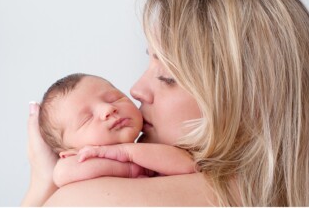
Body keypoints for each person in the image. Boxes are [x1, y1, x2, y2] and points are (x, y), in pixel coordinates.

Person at [22, 0, 309, 206]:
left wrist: (41, 186)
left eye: (167, 77)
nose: (136, 90)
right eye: (148, 63)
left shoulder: (93, 200)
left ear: (248, 99)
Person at [37, 73, 195, 187]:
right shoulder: (72, 165)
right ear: (70, 153)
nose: (108, 109)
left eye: (115, 99)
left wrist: (125, 152)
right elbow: (61, 174)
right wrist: (127, 168)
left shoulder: (150, 146)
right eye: (87, 118)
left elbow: (189, 165)